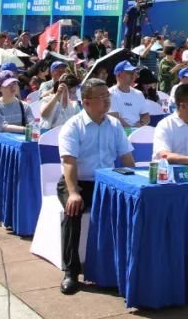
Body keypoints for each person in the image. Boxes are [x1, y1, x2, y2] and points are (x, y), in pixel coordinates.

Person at [58, 78, 135, 295]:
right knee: (73, 211)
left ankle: (122, 267)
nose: (106, 100)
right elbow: (69, 163)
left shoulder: (115, 125)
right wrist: (73, 193)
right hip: (77, 182)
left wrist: (136, 184)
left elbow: (127, 159)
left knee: (132, 206)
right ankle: (71, 271)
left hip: (107, 182)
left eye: (107, 96)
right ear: (86, 102)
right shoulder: (73, 126)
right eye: (101, 97)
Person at [0, 72, 30, 165]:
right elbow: (2, 127)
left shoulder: (25, 106)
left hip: (19, 146)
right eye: (8, 85)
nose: (13, 87)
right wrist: (27, 130)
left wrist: (31, 129)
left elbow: (32, 125)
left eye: (14, 83)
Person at [107, 60, 150, 129]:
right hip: (120, 133)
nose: (133, 75)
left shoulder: (139, 93)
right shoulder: (110, 93)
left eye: (134, 72)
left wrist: (140, 125)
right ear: (118, 75)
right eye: (129, 73)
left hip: (137, 132)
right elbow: (114, 118)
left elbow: (146, 116)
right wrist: (132, 130)